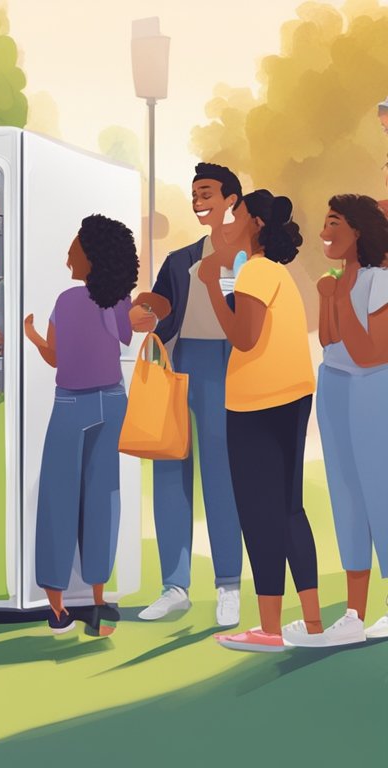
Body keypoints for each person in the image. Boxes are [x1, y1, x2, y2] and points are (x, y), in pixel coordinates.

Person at [24, 215, 168, 636]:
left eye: (75, 249)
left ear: (91, 256)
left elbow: (56, 358)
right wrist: (147, 306)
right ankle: (99, 603)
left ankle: (57, 609)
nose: (69, 255)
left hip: (70, 404)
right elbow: (147, 320)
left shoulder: (67, 301)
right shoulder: (116, 303)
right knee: (103, 497)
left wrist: (32, 336)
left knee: (58, 498)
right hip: (112, 402)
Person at [202, 190, 321, 653]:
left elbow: (244, 338)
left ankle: (270, 630)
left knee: (258, 514)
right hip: (292, 396)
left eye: (236, 213)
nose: (228, 221)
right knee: (290, 509)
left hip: (256, 403)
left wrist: (212, 284)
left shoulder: (253, 270)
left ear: (253, 222)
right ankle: (311, 622)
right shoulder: (278, 273)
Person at [136, 163, 246, 628]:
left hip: (227, 369)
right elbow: (161, 309)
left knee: (222, 478)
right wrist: (146, 312)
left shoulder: (250, 261)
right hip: (181, 367)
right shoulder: (179, 260)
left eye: (207, 192)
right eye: (194, 193)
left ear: (232, 200)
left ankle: (228, 586)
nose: (198, 201)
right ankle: (174, 587)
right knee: (169, 472)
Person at [315, 195, 388, 643]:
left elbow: (370, 353)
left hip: (371, 389)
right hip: (333, 385)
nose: (325, 231)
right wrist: (330, 299)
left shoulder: (379, 281)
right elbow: (328, 341)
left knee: (380, 491)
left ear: (358, 232)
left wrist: (341, 298)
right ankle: (354, 614)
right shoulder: (339, 279)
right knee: (345, 496)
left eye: (334, 222)